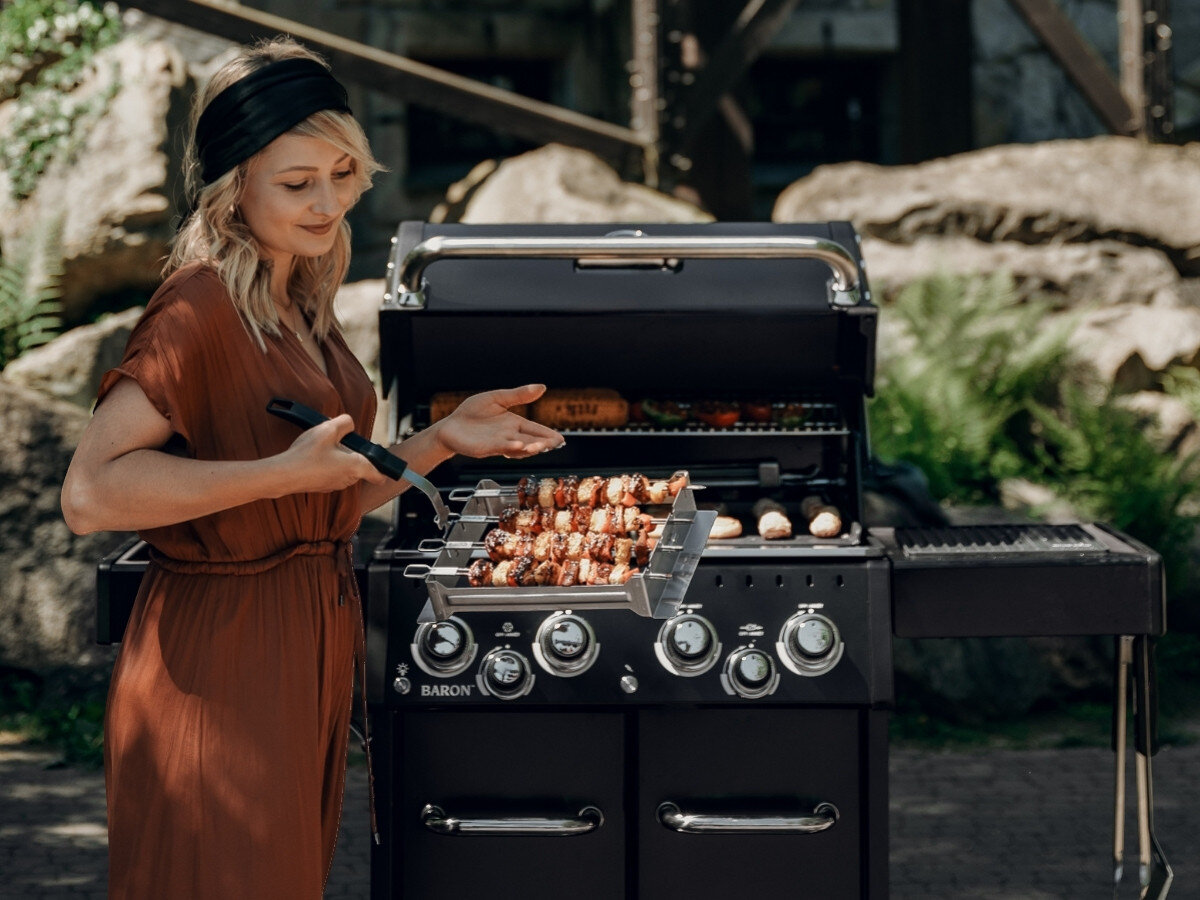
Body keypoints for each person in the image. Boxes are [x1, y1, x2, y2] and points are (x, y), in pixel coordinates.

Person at [60, 37, 563, 898]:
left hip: (302, 641)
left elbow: (327, 487)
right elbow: (91, 493)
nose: (328, 202)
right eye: (296, 184)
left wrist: (441, 437)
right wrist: (280, 475)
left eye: (341, 173)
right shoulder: (200, 305)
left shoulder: (293, 298)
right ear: (232, 186)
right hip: (220, 661)